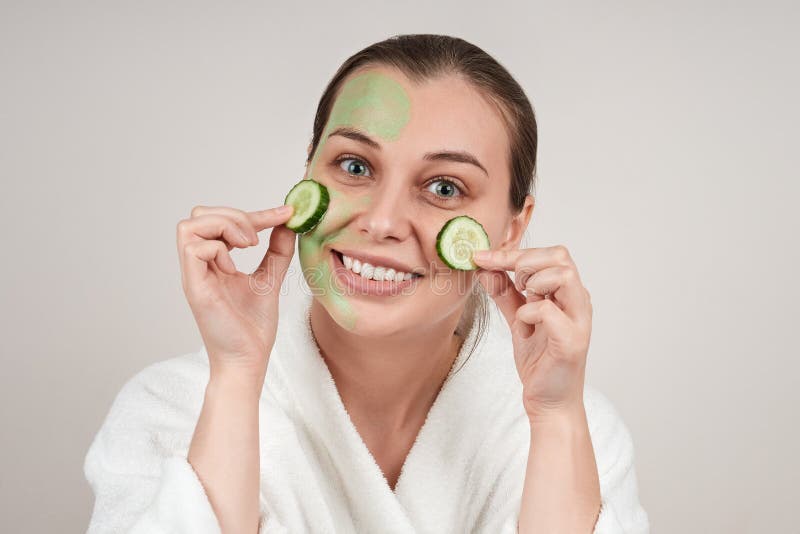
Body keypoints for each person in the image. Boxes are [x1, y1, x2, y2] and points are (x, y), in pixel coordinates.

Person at [84, 34, 650, 533]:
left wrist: (555, 419)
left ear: (513, 226)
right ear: (309, 167)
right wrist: (235, 378)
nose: (381, 222)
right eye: (355, 167)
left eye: (445, 188)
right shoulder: (168, 408)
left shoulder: (576, 430)